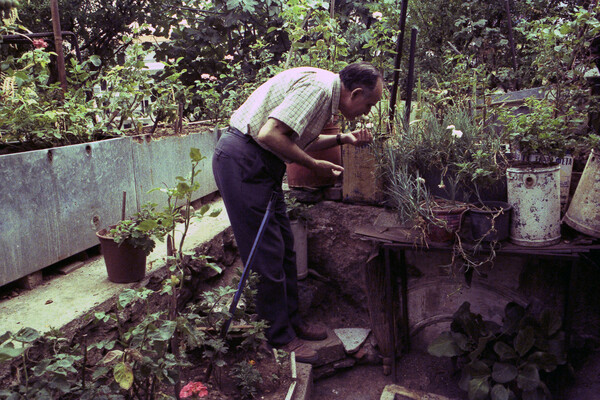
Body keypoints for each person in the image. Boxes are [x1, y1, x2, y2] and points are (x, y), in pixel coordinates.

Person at [212, 61, 383, 363]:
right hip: (244, 161)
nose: (366, 112)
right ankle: (279, 337)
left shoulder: (324, 92)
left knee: (285, 249)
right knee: (267, 252)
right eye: (368, 104)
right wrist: (313, 165)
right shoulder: (317, 88)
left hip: (260, 163)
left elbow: (301, 138)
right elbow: (269, 134)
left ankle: (291, 321)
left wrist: (343, 138)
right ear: (355, 93)